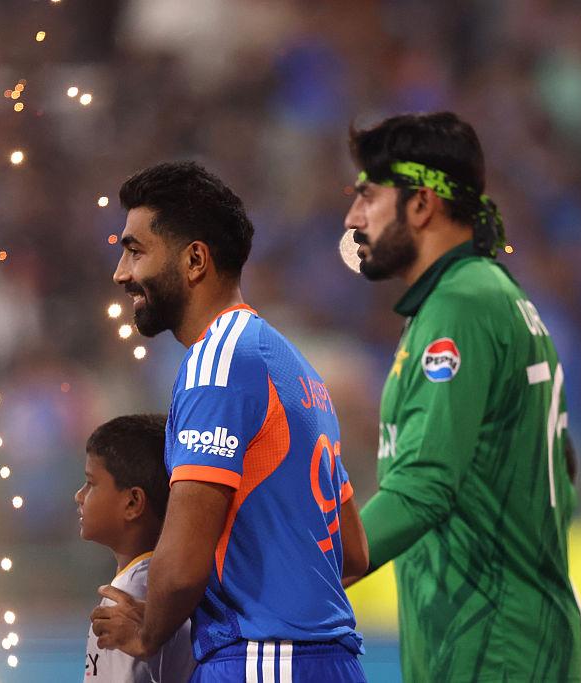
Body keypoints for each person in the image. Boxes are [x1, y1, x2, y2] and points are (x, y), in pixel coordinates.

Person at [92, 161, 370, 682]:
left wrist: (148, 633)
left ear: (194, 259)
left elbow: (183, 564)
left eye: (134, 251)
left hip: (261, 662)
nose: (121, 273)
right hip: (332, 664)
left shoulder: (216, 365)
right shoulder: (294, 367)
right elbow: (352, 555)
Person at [343, 111, 581, 682]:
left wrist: (306, 572)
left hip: (495, 649)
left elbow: (421, 486)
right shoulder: (486, 296)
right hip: (502, 641)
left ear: (422, 204)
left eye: (367, 195)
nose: (352, 218)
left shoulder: (463, 305)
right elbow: (561, 467)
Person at [77, 414, 197, 682]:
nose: (80, 496)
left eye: (91, 483)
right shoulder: (158, 586)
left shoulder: (127, 601)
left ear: (133, 503)